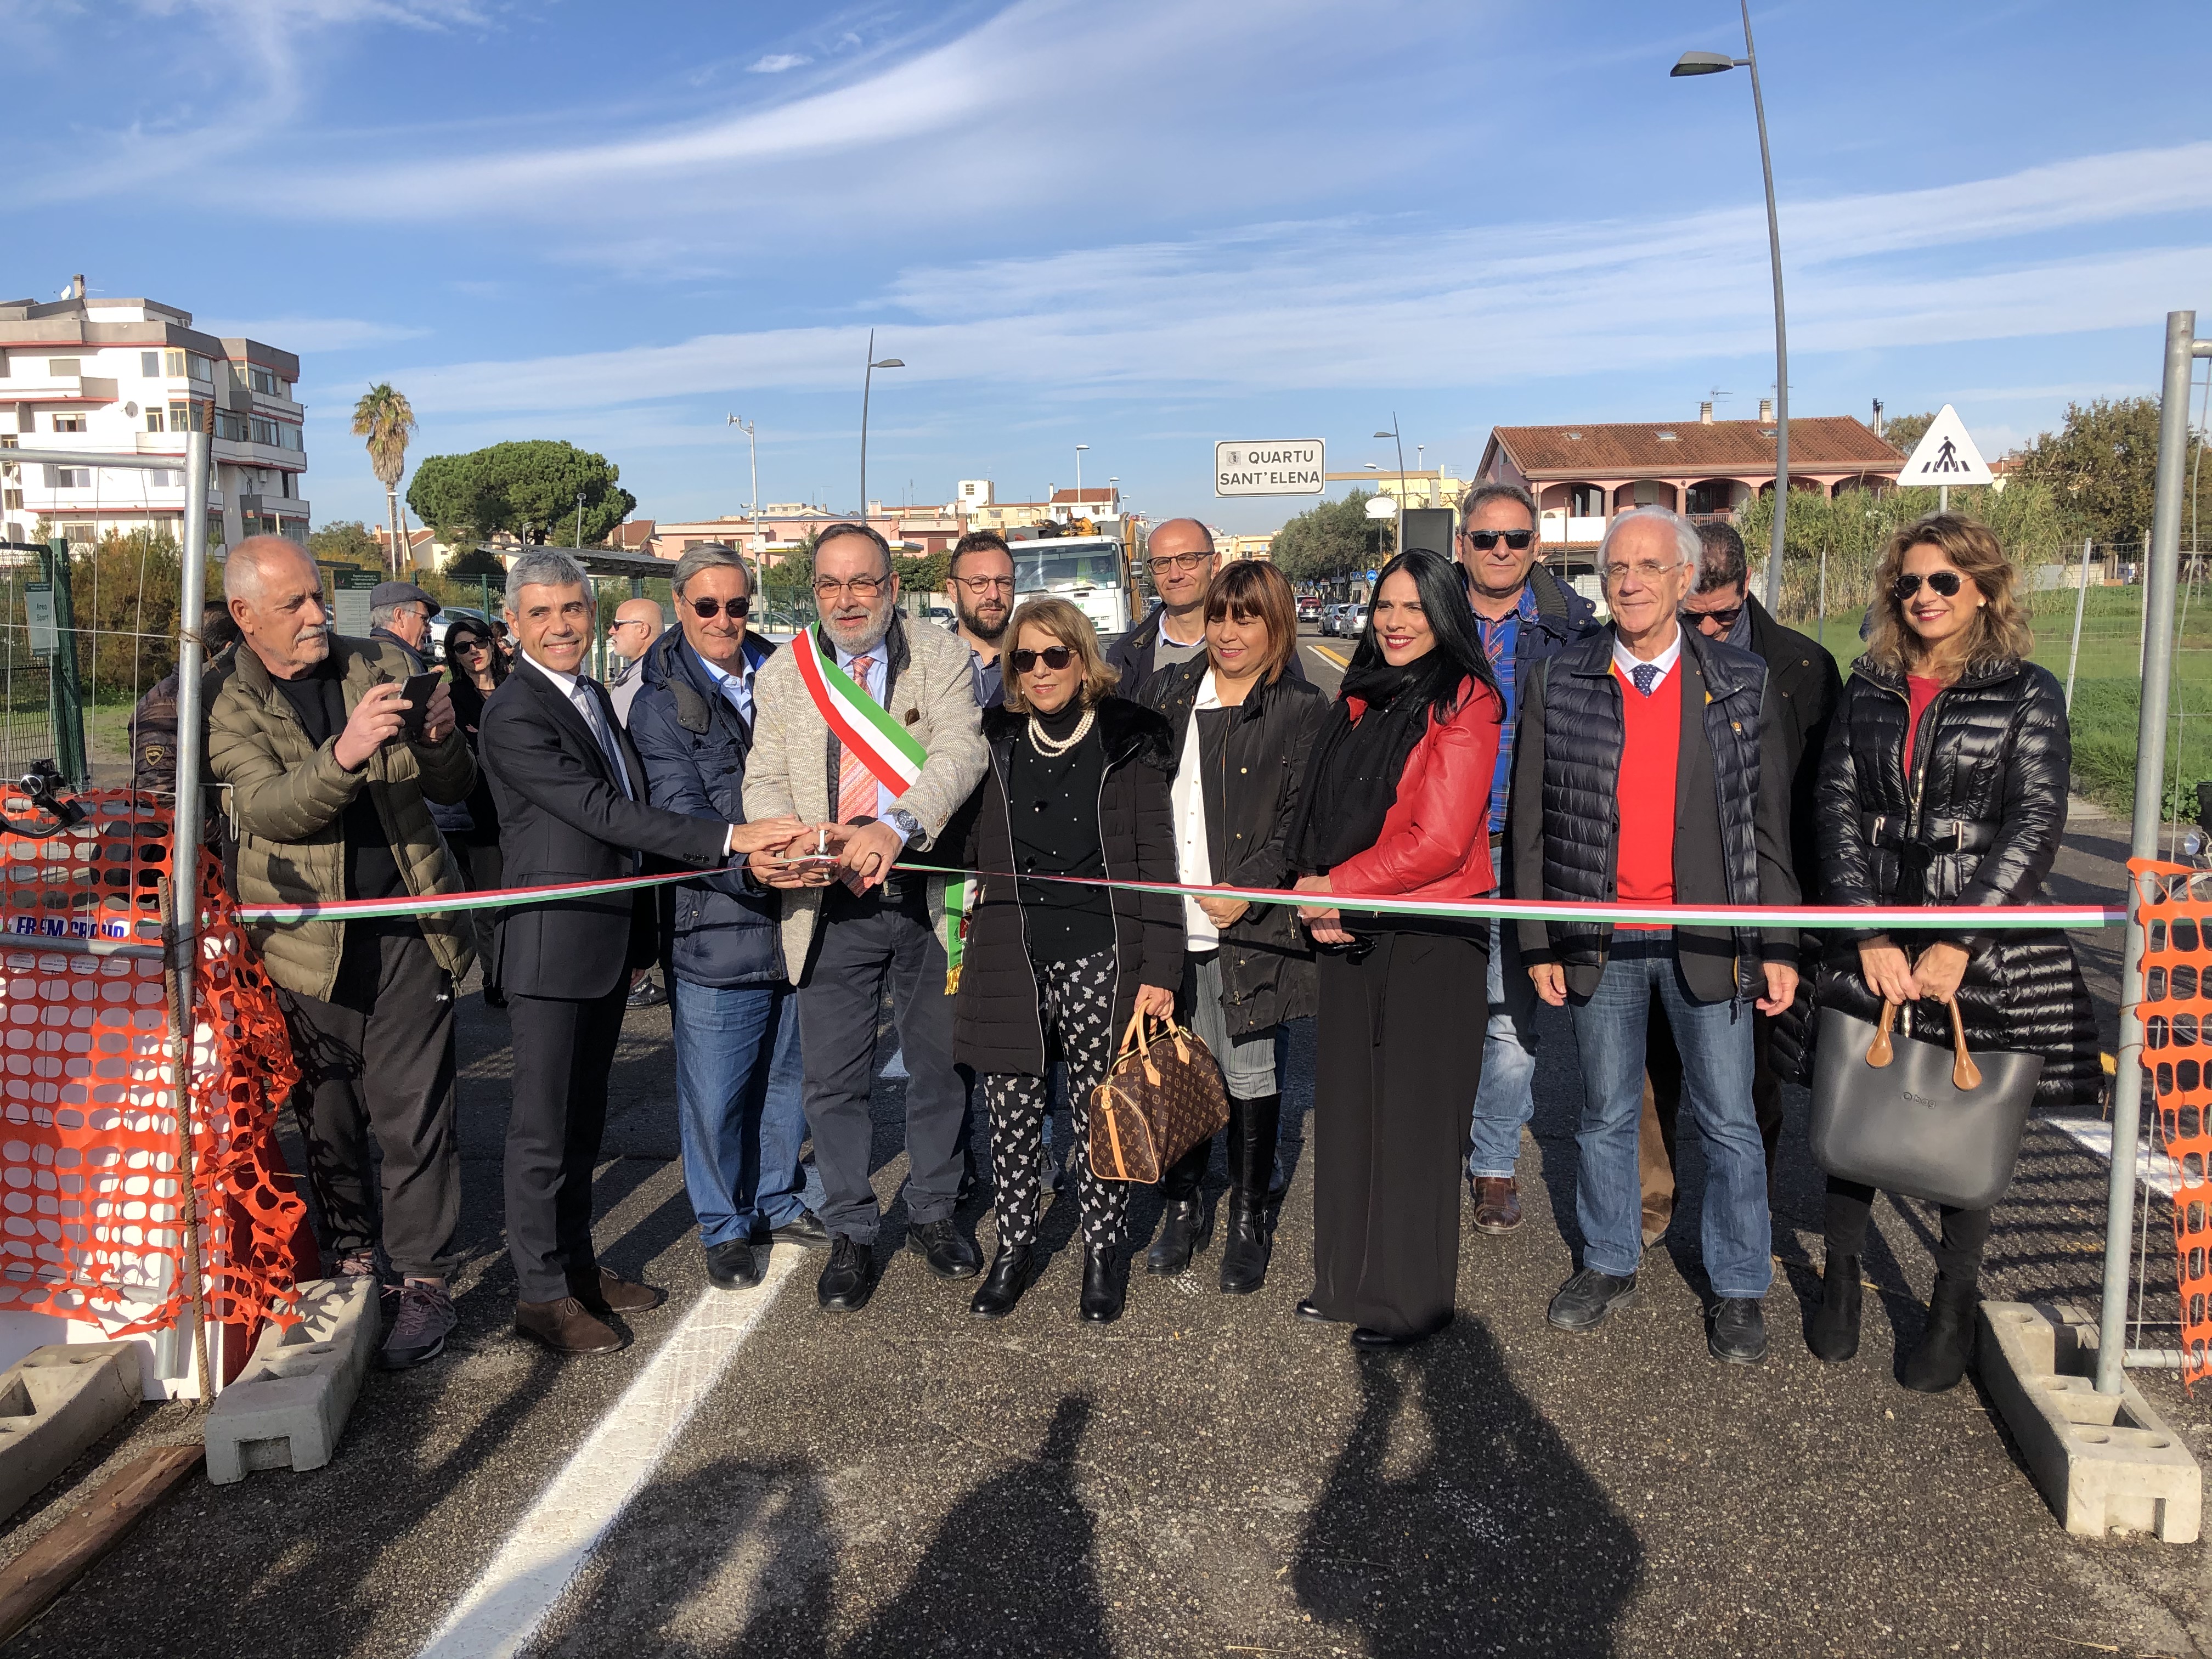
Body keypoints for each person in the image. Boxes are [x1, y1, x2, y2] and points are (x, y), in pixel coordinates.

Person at [479, 548, 805, 1356]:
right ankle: (541, 1296)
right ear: (512, 623)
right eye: (541, 613)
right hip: (551, 946)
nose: (561, 626)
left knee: (582, 1125)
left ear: (593, 615)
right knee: (542, 1133)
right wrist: (728, 837)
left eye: (573, 609)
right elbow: (600, 810)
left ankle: (578, 1270)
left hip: (602, 940)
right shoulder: (515, 712)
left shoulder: (589, 693)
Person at [1804, 512, 2100, 1391]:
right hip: (1876, 925)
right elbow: (1835, 808)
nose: (1924, 596)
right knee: (1858, 1091)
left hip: (1982, 935)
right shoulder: (1870, 683)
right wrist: (1867, 931)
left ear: (1983, 588)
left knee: (1969, 1115)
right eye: (1910, 582)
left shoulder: (2028, 690)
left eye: (1944, 580)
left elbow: (2036, 821)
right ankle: (1842, 1282)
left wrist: (1960, 939)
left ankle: (1952, 1301)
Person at [1513, 506, 1800, 1365]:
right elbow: (1531, 823)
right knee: (1604, 1114)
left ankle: (1739, 1285)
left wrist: (1780, 943)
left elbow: (1768, 827)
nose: (1630, 582)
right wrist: (1538, 941)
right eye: (1617, 568)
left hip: (1707, 939)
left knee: (1729, 1120)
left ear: (1684, 579)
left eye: (1649, 567)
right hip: (1601, 938)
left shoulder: (1742, 681)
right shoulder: (1561, 679)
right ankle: (1608, 1260)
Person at [206, 537, 476, 1372]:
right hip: (300, 943)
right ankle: (355, 1261)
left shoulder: (381, 661)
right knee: (327, 1115)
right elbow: (271, 809)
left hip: (407, 927)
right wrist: (349, 751)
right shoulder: (225, 698)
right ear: (246, 615)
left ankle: (423, 1280)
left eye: (318, 597)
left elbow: (454, 787)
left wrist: (440, 739)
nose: (317, 615)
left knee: (414, 1112)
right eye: (293, 603)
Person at [742, 522, 989, 1313]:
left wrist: (898, 825)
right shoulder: (787, 672)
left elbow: (962, 754)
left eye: (862, 583)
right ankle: (851, 1226)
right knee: (833, 1082)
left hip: (924, 895)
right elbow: (763, 777)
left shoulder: (941, 655)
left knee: (939, 1068)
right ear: (813, 591)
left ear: (891, 587)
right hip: (828, 902)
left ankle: (934, 1211)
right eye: (829, 584)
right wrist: (787, 840)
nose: (846, 600)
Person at [1285, 549, 1503, 1350]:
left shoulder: (1468, 700)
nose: (1395, 621)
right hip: (1350, 922)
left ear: (1445, 614)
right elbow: (1323, 808)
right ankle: (1344, 1282)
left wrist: (1336, 885)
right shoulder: (1360, 696)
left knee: (1414, 1122)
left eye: (1414, 607)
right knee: (1350, 1111)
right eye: (1385, 605)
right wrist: (1316, 888)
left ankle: (1410, 1302)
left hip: (1431, 934)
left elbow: (1441, 841)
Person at [953, 598, 1181, 1323]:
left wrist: (1161, 969)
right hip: (1009, 950)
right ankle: (1014, 1248)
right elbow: (957, 837)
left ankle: (1103, 1250)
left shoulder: (1128, 738)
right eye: (1026, 658)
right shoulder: (993, 738)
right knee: (1011, 1109)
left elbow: (1156, 861)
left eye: (1056, 655)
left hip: (1100, 950)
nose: (1041, 671)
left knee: (1099, 1109)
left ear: (1083, 660)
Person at [628, 543, 827, 1291]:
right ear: (680, 606)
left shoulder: (789, 677)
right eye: (707, 606)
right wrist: (748, 865)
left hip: (800, 916)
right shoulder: (659, 703)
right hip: (715, 922)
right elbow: (680, 815)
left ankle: (776, 1199)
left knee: (787, 1080)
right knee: (714, 1096)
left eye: (737, 605)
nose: (723, 619)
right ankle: (724, 1225)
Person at [1639, 520, 1841, 1244]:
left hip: (1758, 907)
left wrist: (1798, 927)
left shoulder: (1804, 667)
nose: (1705, 631)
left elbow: (1818, 801)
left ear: (1747, 587)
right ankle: (1650, 1199)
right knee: (1652, 1067)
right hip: (1660, 896)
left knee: (1753, 1081)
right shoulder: (1638, 652)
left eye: (1721, 617)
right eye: (1690, 615)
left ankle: (1744, 1215)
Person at [1136, 561, 1323, 1294]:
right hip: (1167, 920)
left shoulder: (1301, 707)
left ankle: (1249, 1217)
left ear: (1277, 625)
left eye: (1247, 618)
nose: (1228, 632)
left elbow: (1302, 817)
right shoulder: (1169, 692)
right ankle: (1182, 1207)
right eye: (1219, 616)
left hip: (1246, 925)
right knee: (1177, 1065)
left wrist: (1251, 888)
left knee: (1249, 1072)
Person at [1455, 482, 1601, 1237]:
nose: (1502, 551)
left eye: (1516, 538)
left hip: (1525, 854)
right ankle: (1429, 1141)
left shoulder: (1572, 632)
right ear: (1463, 545)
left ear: (1536, 546)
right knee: (1440, 1013)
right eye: (1486, 538)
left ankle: (1494, 1163)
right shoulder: (1427, 618)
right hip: (1441, 856)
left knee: (1512, 1019)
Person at [1108, 518, 1305, 692]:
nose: (1175, 575)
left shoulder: (1261, 645)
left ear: (1215, 564)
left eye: (1187, 560)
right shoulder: (1124, 656)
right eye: (1162, 563)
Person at [439, 613, 510, 1008]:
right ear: (454, 656)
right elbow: (466, 753)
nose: (473, 652)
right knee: (491, 902)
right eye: (462, 648)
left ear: (491, 643)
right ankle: (495, 977)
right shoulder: (453, 697)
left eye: (479, 642)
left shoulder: (515, 687)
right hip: (480, 814)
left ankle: (523, 972)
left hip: (524, 810)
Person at [130, 602, 240, 794]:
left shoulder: (221, 692)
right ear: (229, 649)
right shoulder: (164, 706)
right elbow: (160, 796)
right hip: (188, 813)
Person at [947, 529, 1013, 708]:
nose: (994, 595)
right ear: (953, 590)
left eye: (1004, 582)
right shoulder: (927, 664)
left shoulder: (1039, 661)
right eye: (979, 583)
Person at [605, 598, 664, 727]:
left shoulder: (652, 679)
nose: (611, 631)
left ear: (642, 630)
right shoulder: (646, 672)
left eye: (617, 624)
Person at [367, 580, 438, 673]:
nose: (429, 629)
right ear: (399, 617)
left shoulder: (368, 655)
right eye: (424, 619)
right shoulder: (403, 664)